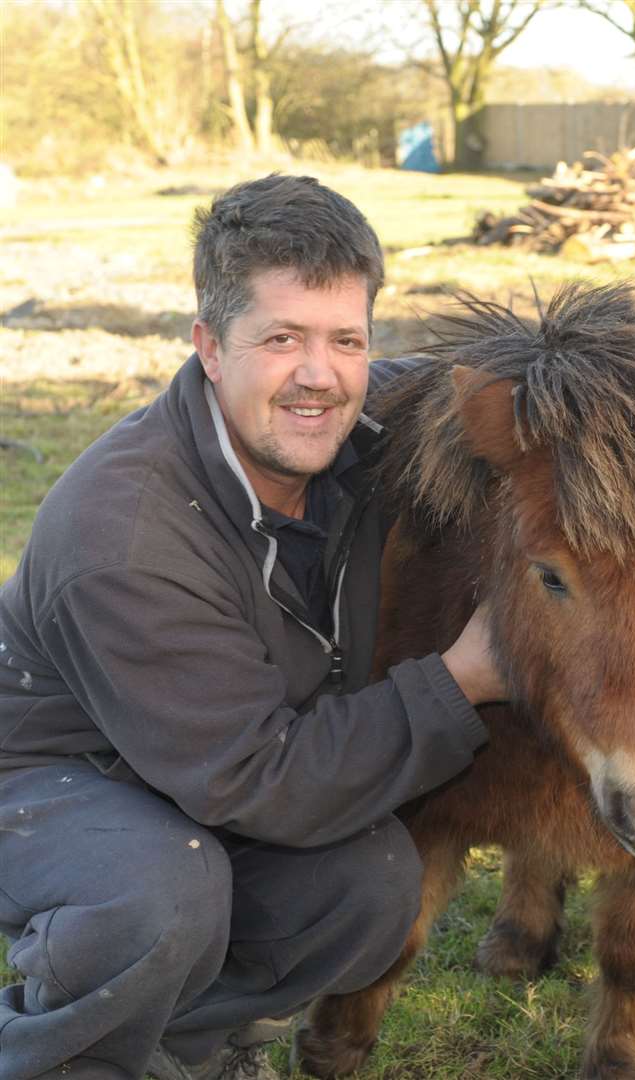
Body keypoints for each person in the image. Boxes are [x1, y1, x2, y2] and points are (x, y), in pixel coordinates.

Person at [0, 175, 505, 1080]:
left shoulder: (361, 426)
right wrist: (461, 678)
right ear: (209, 347)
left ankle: (181, 1051)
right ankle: (61, 1063)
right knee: (161, 890)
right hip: (46, 774)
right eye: (281, 339)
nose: (319, 374)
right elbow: (261, 777)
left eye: (345, 340)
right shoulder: (125, 536)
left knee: (369, 882)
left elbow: (543, 404)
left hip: (201, 755)